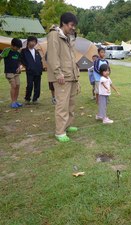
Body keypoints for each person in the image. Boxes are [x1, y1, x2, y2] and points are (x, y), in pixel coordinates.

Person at [47, 12, 79, 142]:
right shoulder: (54, 35)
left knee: (71, 103)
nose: (73, 28)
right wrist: (58, 73)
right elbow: (53, 56)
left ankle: (67, 125)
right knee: (62, 104)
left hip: (71, 75)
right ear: (64, 23)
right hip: (61, 77)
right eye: (71, 25)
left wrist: (76, 73)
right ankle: (60, 131)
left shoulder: (68, 37)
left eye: (74, 26)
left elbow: (71, 57)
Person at [0, 38, 23, 108]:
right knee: (13, 85)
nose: (18, 48)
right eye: (17, 47)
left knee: (18, 85)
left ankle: (16, 101)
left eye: (19, 47)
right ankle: (13, 102)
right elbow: (0, 57)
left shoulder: (18, 52)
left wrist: (19, 67)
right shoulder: (7, 50)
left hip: (16, 72)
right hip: (9, 72)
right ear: (12, 45)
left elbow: (19, 62)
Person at [21, 36, 43, 104]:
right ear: (28, 42)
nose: (33, 43)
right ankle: (27, 99)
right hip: (30, 71)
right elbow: (22, 60)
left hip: (38, 71)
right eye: (32, 41)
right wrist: (28, 66)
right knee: (30, 85)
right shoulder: (24, 51)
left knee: (37, 86)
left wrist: (41, 67)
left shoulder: (36, 51)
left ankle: (35, 99)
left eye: (35, 42)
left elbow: (40, 60)